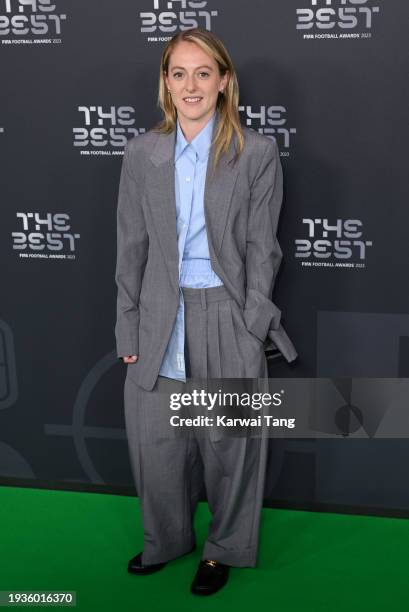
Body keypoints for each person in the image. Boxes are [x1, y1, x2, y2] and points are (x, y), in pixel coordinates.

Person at [115, 27, 297, 596]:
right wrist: (128, 320)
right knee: (158, 443)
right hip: (157, 312)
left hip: (227, 309)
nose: (190, 85)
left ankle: (224, 549)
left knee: (230, 446)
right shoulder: (142, 152)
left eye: (202, 73)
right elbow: (131, 246)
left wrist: (253, 319)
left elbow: (262, 248)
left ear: (223, 82)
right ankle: (165, 540)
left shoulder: (255, 152)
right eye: (178, 73)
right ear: (165, 85)